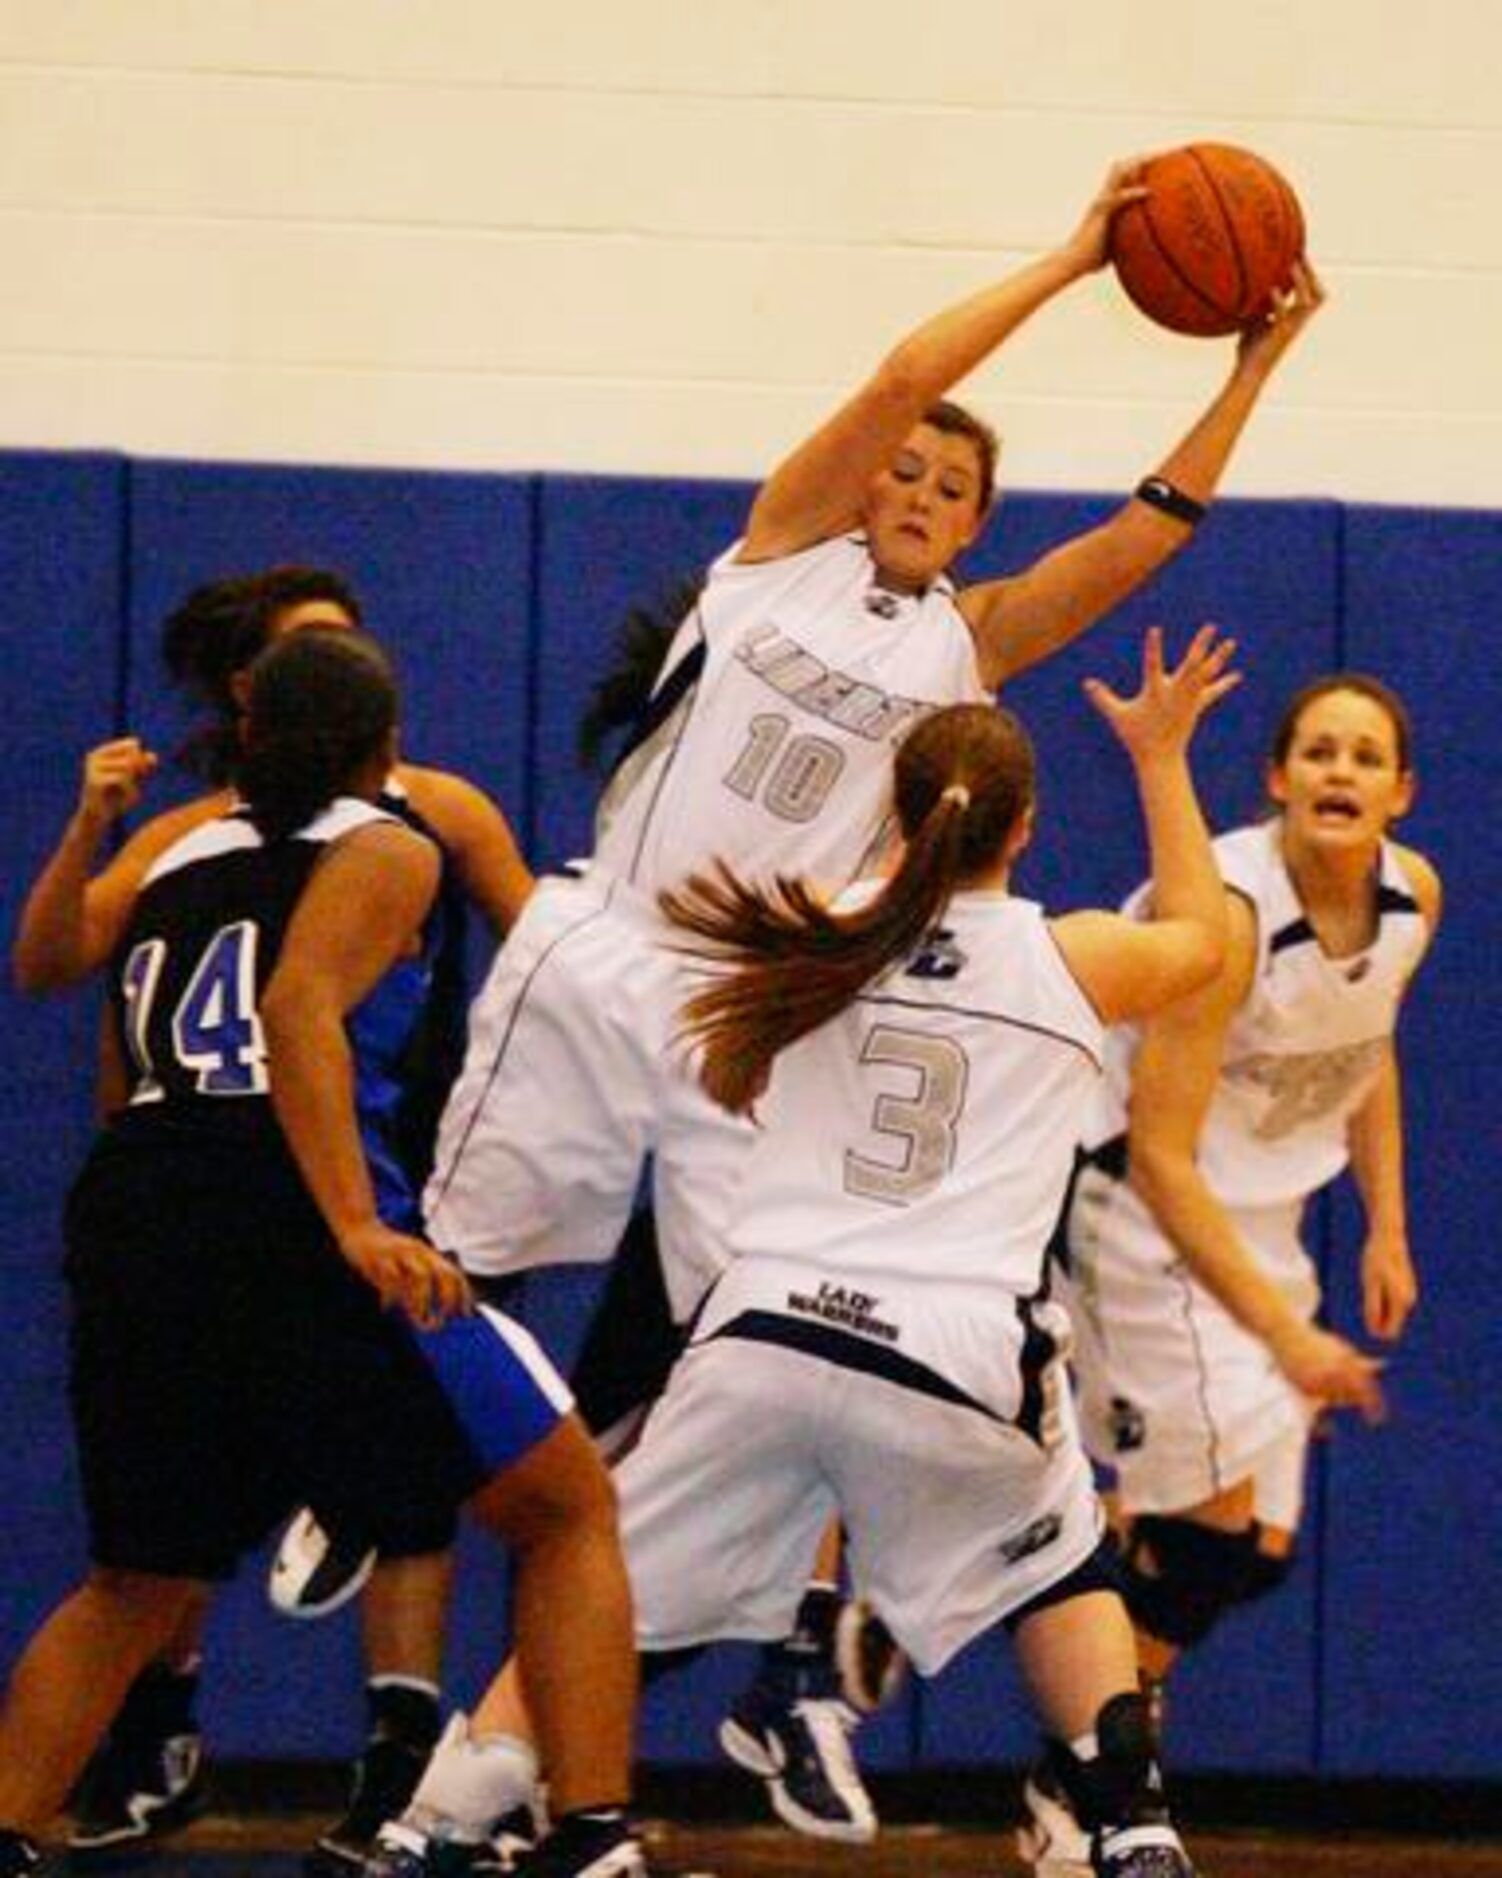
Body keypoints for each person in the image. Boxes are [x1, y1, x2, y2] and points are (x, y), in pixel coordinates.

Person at [421, 156, 1324, 1840]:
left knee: (748, 1341)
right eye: (897, 469)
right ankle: (380, 1478)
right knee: (451, 1265)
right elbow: (906, 378)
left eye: (946, 483)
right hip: (617, 949)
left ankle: (739, 1687)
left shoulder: (961, 649)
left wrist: (1247, 370)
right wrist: (1074, 257)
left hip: (767, 1001)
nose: (912, 480)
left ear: (976, 526)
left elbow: (1142, 539)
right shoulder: (767, 556)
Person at [383, 624, 1239, 1878]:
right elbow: (1206, 939)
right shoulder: (1072, 960)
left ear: (891, 813)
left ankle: (430, 1826)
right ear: (1022, 828)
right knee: (1062, 1561)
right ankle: (1130, 1822)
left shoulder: (799, 932)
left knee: (599, 1590)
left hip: (762, 1332)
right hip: (952, 1343)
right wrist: (1161, 760)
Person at [0, 627, 643, 1878]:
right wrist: (354, 1223)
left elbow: (70, 1003)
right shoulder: (388, 845)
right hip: (287, 1207)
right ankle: (595, 1835)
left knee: (137, 1576)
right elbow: (295, 1011)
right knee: (565, 1505)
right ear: (383, 747)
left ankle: (12, 1830)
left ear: (245, 740)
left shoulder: (174, 851)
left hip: (138, 1206)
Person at [1021, 673, 1439, 1876]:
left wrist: (1386, 1225)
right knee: (1205, 1533)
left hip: (1256, 1218)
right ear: (1275, 777)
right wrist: (1288, 1337)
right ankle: (1097, 1779)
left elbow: (1368, 1046)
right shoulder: (1236, 915)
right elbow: (1157, 1156)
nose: (1338, 772)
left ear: (1398, 792)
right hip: (1137, 1205)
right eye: (1316, 750)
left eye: (1365, 755)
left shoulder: (1413, 898)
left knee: (1252, 1551)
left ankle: (1073, 1687)